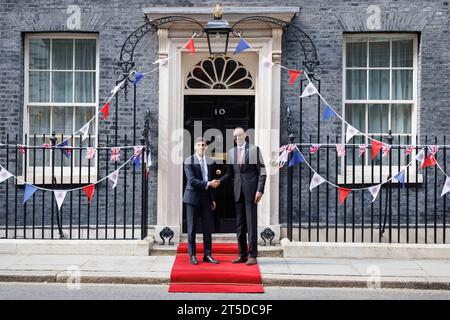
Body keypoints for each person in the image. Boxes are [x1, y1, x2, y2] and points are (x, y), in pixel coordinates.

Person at [219, 127, 266, 265]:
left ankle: (252, 255)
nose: (237, 138)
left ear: (245, 135)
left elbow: (262, 172)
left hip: (252, 192)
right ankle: (242, 254)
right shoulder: (232, 152)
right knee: (239, 225)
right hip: (238, 192)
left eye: (239, 135)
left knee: (251, 225)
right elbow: (229, 174)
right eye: (235, 137)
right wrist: (218, 181)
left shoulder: (254, 150)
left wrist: (260, 190)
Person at [183, 137, 221, 265]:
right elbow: (192, 181)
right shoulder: (189, 161)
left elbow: (210, 179)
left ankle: (208, 254)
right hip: (192, 197)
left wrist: (213, 199)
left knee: (207, 228)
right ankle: (192, 255)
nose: (201, 147)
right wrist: (209, 183)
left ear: (206, 147)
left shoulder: (210, 161)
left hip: (206, 198)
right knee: (192, 228)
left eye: (203, 145)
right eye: (199, 145)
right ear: (195, 147)